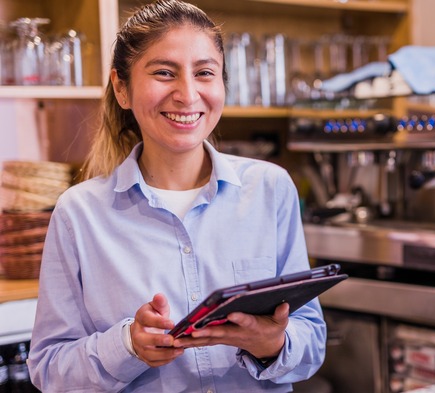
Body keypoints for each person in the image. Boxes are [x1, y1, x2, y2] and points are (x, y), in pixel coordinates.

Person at [27, 0, 326, 391]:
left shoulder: (271, 189)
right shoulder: (79, 213)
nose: (187, 94)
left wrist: (273, 344)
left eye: (204, 73)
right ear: (122, 88)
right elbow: (49, 369)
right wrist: (127, 346)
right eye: (164, 73)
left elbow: (312, 340)